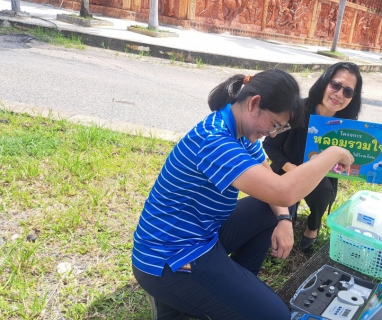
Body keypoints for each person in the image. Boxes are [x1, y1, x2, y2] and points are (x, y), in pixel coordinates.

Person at [131, 69, 354, 320]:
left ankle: (233, 292)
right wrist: (333, 152)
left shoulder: (239, 130)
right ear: (255, 104)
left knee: (282, 211)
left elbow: (273, 183)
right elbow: (284, 191)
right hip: (171, 257)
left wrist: (284, 221)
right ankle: (186, 301)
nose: (272, 135)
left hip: (202, 234)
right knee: (275, 316)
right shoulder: (215, 140)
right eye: (274, 125)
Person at [263, 62, 363, 253]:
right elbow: (269, 145)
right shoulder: (296, 109)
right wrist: (291, 168)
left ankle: (313, 226)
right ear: (325, 82)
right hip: (287, 169)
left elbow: (351, 163)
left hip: (320, 176)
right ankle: (287, 216)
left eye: (348, 92)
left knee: (325, 190)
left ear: (353, 97)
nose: (339, 94)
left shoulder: (349, 126)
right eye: (335, 85)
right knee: (272, 218)